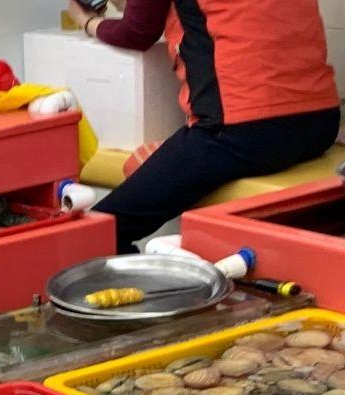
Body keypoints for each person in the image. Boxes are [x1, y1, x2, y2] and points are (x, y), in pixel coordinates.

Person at [66, 0, 341, 253]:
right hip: (321, 123)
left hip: (239, 133)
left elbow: (138, 31)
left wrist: (86, 20)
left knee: (92, 235)